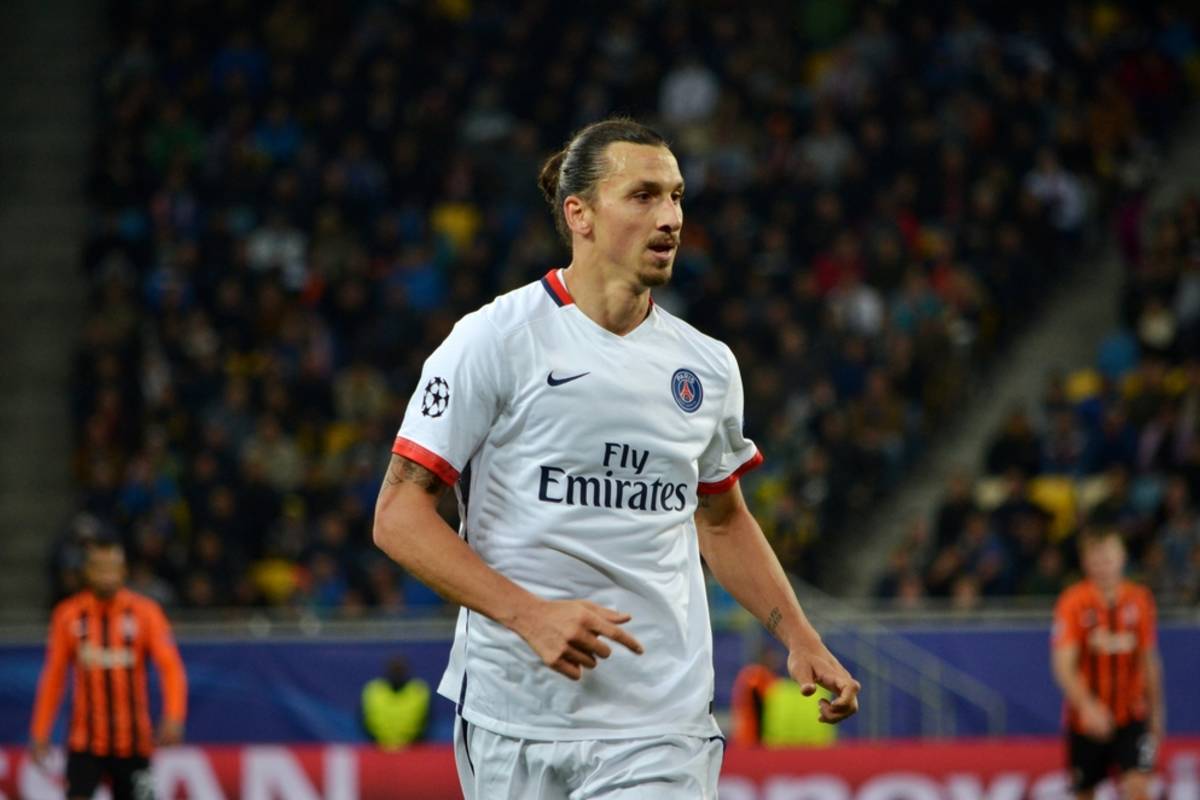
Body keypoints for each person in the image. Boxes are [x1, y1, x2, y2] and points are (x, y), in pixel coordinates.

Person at [373, 117, 860, 799]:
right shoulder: (494, 340)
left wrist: (799, 635)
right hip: (514, 714)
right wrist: (528, 614)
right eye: (643, 196)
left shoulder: (706, 367)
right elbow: (397, 515)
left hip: (660, 722)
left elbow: (722, 521)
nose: (671, 218)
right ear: (581, 215)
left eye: (677, 196)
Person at [30, 538, 187, 800]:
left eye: (113, 568)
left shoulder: (145, 612)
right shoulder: (68, 615)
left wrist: (174, 715)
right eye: (100, 568)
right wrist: (40, 731)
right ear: (87, 572)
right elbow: (54, 677)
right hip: (85, 742)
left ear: (123, 571)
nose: (107, 575)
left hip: (135, 742)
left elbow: (171, 667)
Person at [1052, 528, 1164, 800]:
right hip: (1085, 721)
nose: (1103, 567)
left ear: (1122, 558)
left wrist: (1157, 713)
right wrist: (1088, 707)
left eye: (1108, 559)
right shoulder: (1073, 601)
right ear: (1085, 562)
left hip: (1133, 715)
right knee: (1084, 792)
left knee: (1139, 788)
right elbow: (1063, 664)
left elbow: (1149, 659)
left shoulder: (1139, 599)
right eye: (1096, 560)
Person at [361, 656, 431, 748]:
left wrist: (413, 744)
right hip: (378, 747)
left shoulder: (419, 691)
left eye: (399, 671)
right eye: (394, 670)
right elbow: (363, 720)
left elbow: (427, 721)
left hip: (413, 748)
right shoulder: (373, 690)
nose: (396, 674)